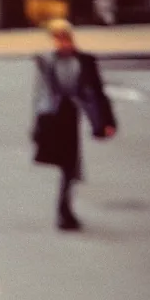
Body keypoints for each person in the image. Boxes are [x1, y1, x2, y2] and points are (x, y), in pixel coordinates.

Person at [31, 18, 117, 231]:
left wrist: (107, 122)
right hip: (54, 117)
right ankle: (64, 211)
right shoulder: (47, 62)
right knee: (66, 165)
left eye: (65, 38)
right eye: (58, 39)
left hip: (72, 116)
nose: (62, 43)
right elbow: (41, 95)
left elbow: (97, 93)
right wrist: (38, 125)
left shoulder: (86, 61)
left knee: (70, 166)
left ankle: (64, 211)